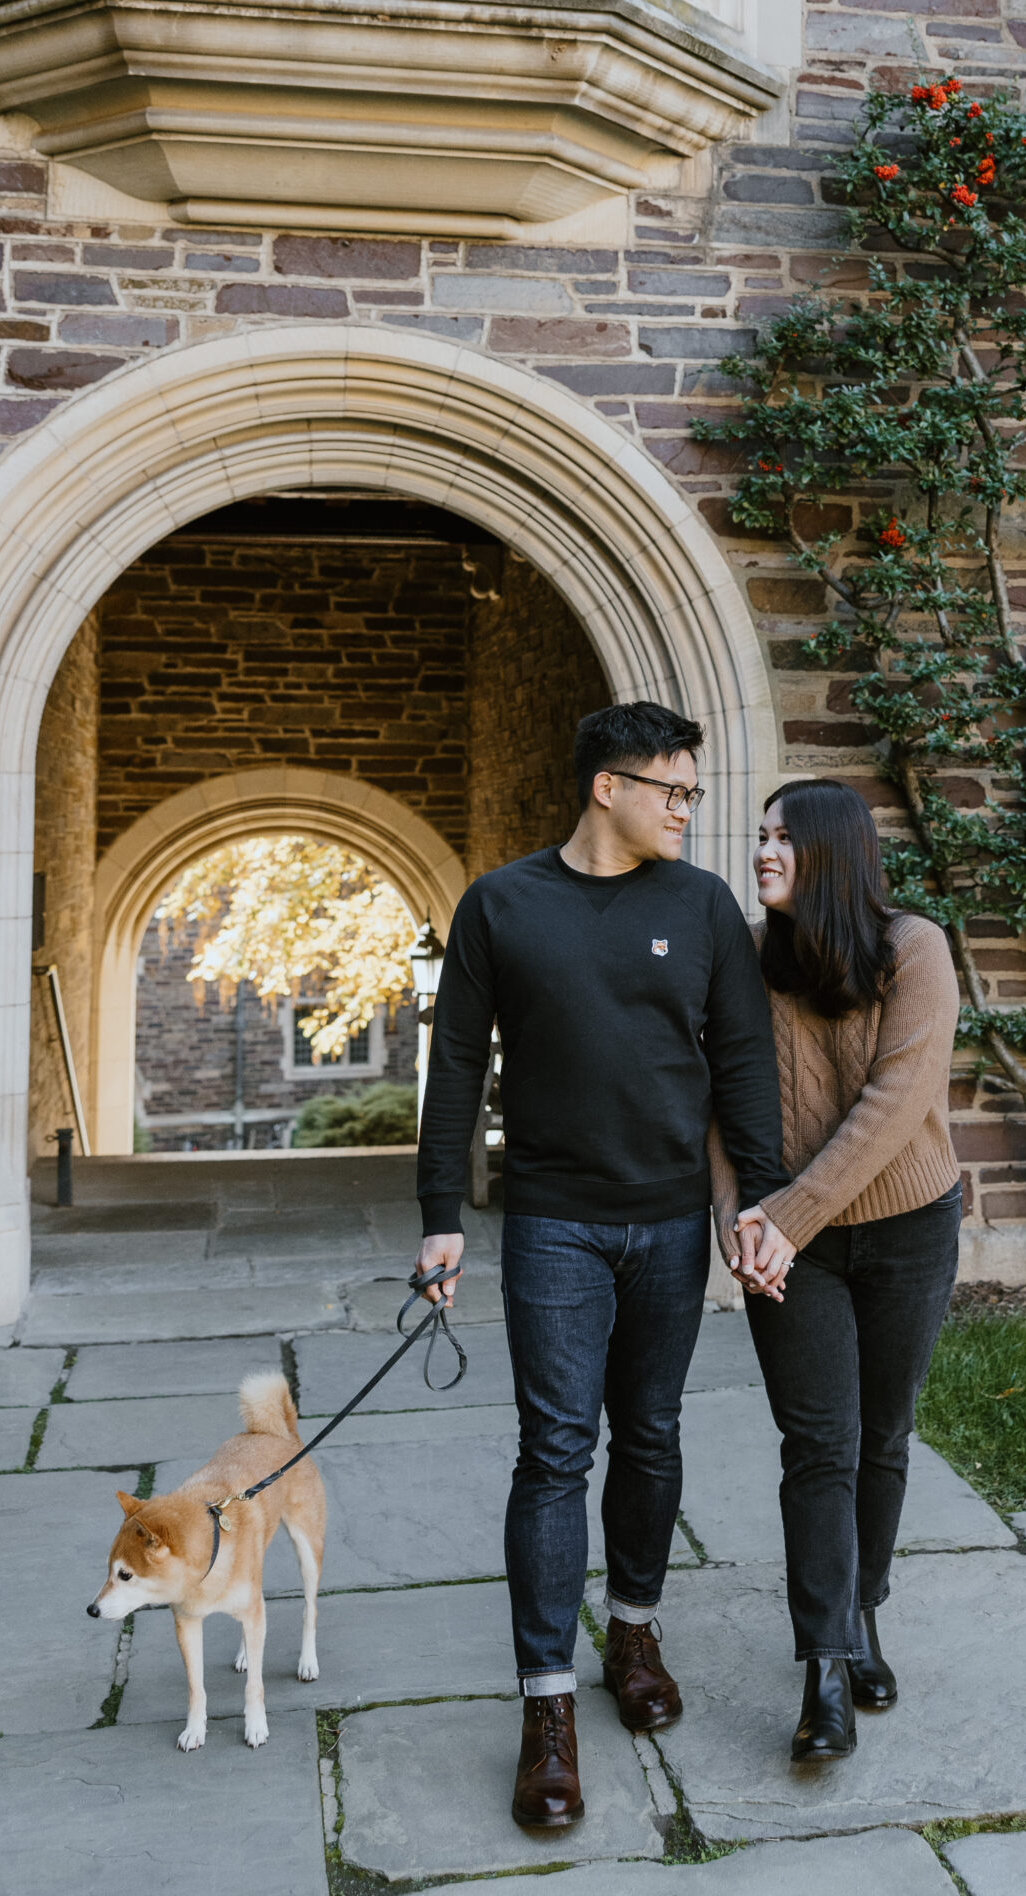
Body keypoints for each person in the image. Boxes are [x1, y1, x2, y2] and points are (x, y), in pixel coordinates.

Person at [414, 702, 786, 1830]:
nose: (687, 810)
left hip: (672, 1221)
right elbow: (453, 1062)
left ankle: (632, 1625)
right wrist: (440, 1215)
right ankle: (546, 1709)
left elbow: (743, 1063)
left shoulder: (703, 906)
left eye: (692, 792)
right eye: (671, 789)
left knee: (655, 1432)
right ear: (605, 788)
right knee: (554, 1451)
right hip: (555, 1225)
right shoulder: (503, 904)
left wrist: (756, 1205)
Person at [711, 777, 962, 1763]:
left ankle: (862, 1615)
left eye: (783, 837)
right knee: (819, 1444)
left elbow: (896, 1102)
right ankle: (822, 1669)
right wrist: (741, 1221)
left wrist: (788, 1217)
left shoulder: (914, 949)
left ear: (832, 851)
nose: (763, 850)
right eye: (760, 835)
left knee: (883, 1431)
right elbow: (718, 1102)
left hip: (905, 1223)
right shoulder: (739, 958)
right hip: (787, 1241)